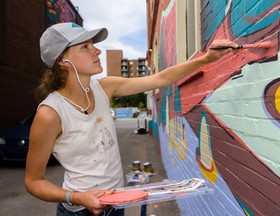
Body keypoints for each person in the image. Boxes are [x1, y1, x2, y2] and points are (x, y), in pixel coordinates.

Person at [25, 22, 238, 216]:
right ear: (63, 62)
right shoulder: (50, 113)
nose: (97, 50)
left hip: (115, 203)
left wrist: (207, 59)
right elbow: (33, 182)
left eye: (93, 44)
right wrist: (76, 196)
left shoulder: (104, 87)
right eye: (85, 47)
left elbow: (160, 78)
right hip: (79, 211)